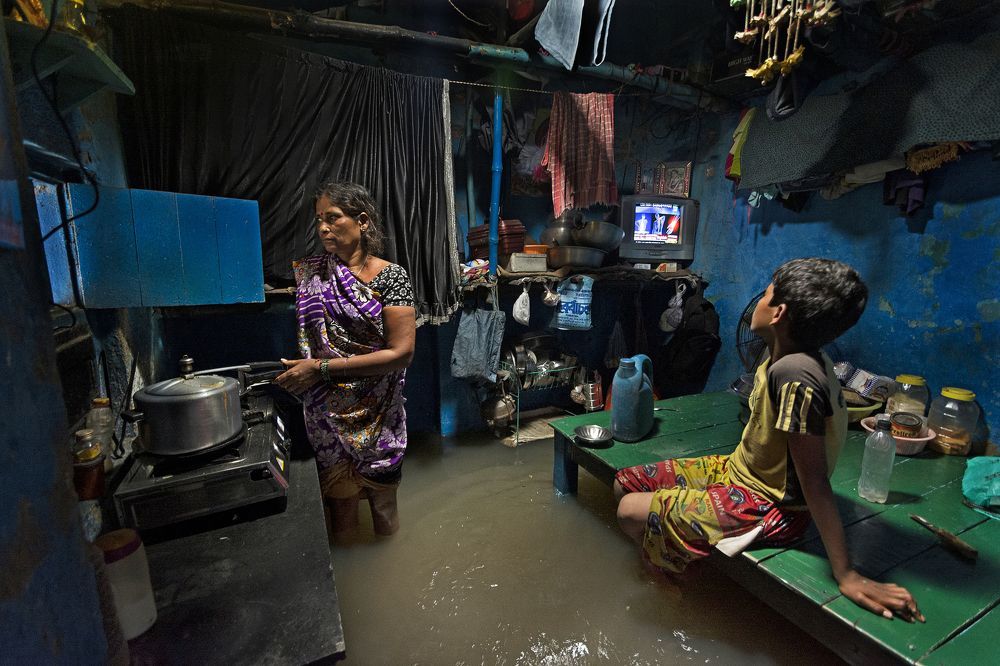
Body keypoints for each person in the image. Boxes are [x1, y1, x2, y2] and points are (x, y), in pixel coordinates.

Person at [615, 258, 924, 623]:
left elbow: (814, 481)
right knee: (625, 483)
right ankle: (679, 553)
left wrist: (846, 574)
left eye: (766, 294)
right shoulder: (783, 353)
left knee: (629, 510)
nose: (758, 301)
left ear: (779, 314)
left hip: (770, 505)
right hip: (737, 471)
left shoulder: (796, 376)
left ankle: (667, 579)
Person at [275, 181, 416, 539]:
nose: (323, 228)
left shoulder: (392, 277)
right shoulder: (314, 275)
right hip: (327, 413)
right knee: (341, 511)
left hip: (378, 411)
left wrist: (319, 368)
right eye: (319, 219)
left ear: (363, 221)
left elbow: (401, 353)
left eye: (333, 217)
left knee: (384, 508)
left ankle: (389, 566)